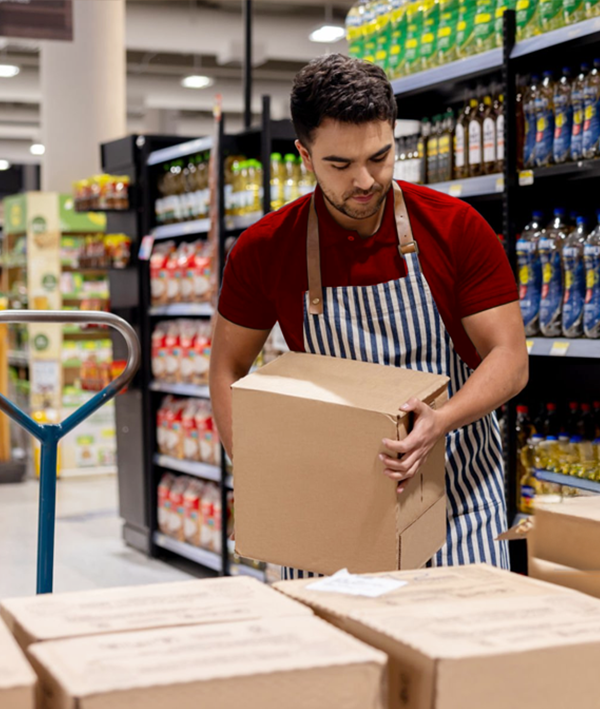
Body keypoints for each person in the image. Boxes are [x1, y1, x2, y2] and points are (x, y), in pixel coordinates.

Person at [209, 54, 528, 579]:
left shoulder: (456, 228)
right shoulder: (265, 249)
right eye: (340, 165)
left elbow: (510, 359)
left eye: (380, 157)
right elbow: (226, 367)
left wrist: (439, 421)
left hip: (456, 502)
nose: (365, 180)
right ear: (305, 156)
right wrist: (257, 467)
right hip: (327, 508)